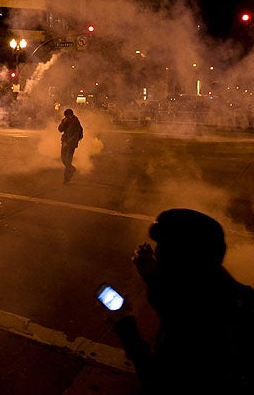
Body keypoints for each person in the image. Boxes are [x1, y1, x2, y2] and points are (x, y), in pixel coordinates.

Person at [111, 209, 254, 394]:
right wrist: (153, 276)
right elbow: (177, 298)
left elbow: (157, 380)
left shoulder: (192, 327)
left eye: (166, 251)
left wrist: (126, 329)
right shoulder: (219, 284)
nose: (157, 254)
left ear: (184, 262)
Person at [57, 108, 83, 184]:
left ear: (71, 115)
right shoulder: (65, 120)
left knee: (68, 161)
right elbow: (60, 130)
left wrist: (69, 142)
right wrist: (63, 123)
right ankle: (72, 169)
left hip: (71, 144)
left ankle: (66, 179)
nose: (66, 118)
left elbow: (76, 135)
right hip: (64, 142)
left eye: (67, 116)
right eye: (65, 117)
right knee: (63, 159)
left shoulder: (76, 122)